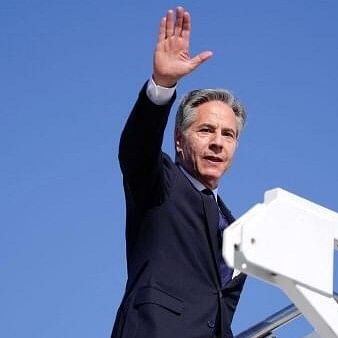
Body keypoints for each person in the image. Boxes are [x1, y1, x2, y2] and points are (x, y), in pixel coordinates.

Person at [111, 6, 246, 338]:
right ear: (180, 141)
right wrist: (163, 85)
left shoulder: (236, 226)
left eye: (227, 135)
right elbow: (136, 148)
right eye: (206, 131)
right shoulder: (160, 185)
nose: (217, 143)